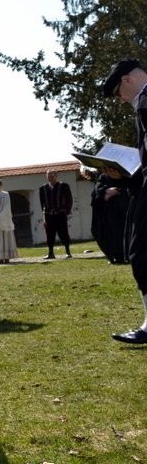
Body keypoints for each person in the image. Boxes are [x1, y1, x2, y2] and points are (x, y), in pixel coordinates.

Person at [101, 59, 147, 343]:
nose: (121, 99)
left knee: (141, 255)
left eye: (118, 92)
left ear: (127, 80)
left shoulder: (144, 103)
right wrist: (123, 178)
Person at [91, 168, 130, 264]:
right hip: (109, 215)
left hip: (125, 212)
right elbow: (95, 194)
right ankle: (115, 256)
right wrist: (105, 193)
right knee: (111, 235)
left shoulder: (127, 174)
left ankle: (126, 256)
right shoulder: (103, 177)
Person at [39, 170, 73, 259]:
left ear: (56, 176)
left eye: (52, 176)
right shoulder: (43, 188)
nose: (51, 178)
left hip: (60, 213)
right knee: (49, 234)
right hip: (48, 214)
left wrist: (67, 211)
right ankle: (51, 253)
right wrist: (44, 218)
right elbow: (42, 204)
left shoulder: (64, 186)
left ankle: (68, 252)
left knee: (63, 232)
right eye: (49, 176)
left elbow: (69, 200)